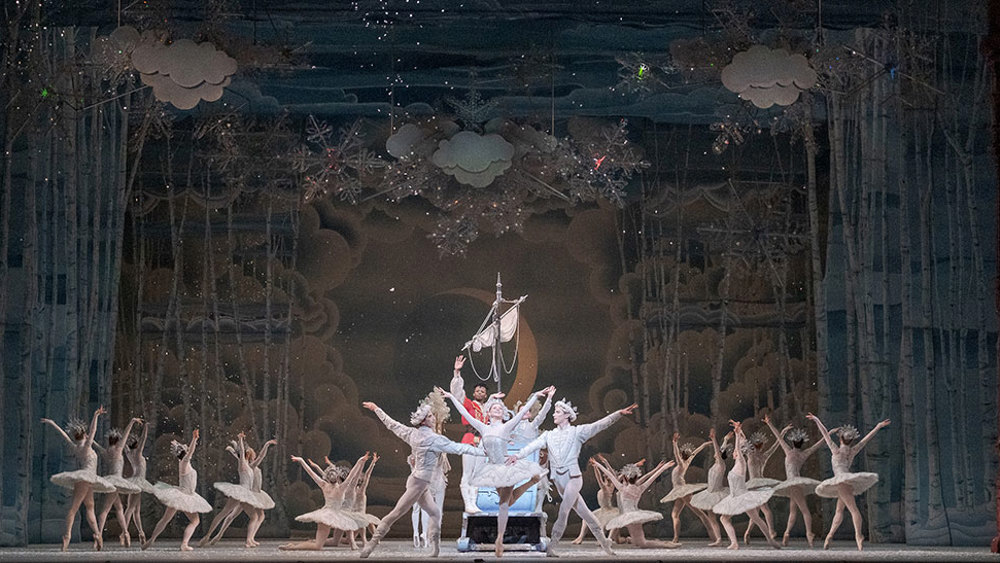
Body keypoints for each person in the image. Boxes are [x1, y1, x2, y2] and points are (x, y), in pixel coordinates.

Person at [507, 400, 638, 557]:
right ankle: (605, 544)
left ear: (567, 415)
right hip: (559, 480)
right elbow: (531, 446)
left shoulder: (578, 432)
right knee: (588, 515)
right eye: (554, 411)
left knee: (564, 511)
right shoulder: (549, 435)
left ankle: (552, 546)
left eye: (557, 412)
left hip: (573, 478)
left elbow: (599, 425)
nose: (554, 414)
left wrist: (617, 414)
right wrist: (517, 455)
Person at [359, 399, 486, 558]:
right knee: (396, 512)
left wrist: (376, 409)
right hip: (418, 484)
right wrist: (483, 452)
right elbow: (458, 448)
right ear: (425, 420)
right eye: (431, 416)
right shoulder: (434, 439)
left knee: (435, 513)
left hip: (419, 482)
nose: (434, 418)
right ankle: (370, 546)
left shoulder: (412, 433)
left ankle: (435, 549)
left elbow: (391, 424)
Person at [440, 384, 551, 557]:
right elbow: (464, 413)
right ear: (489, 412)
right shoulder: (483, 427)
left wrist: (536, 395)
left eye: (500, 407)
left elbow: (523, 412)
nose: (498, 409)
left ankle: (499, 539)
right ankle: (532, 481)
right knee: (509, 500)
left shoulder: (506, 427)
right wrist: (451, 396)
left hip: (506, 468)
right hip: (491, 469)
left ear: (503, 413)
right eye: (495, 407)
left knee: (504, 504)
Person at [807, 413, 890, 551]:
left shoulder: (835, 450)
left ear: (840, 439)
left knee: (853, 510)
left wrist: (816, 420)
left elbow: (825, 434)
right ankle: (829, 536)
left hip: (841, 482)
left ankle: (858, 536)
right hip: (846, 483)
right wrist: (877, 427)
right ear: (850, 441)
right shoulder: (852, 451)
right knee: (839, 511)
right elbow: (865, 440)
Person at [41, 407, 115, 551]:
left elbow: (64, 436)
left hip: (86, 479)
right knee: (75, 508)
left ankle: (98, 535)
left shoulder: (76, 447)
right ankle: (67, 536)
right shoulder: (86, 446)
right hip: (86, 478)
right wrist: (95, 415)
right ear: (85, 436)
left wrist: (52, 423)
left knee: (89, 507)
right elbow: (93, 431)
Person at [764, 414, 835, 546]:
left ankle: (786, 533)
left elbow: (778, 437)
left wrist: (769, 423)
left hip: (791, 483)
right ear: (802, 443)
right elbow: (819, 444)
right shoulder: (803, 454)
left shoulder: (788, 451)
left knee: (793, 510)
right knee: (805, 510)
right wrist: (828, 433)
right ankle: (809, 534)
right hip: (796, 484)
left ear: (792, 442)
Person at [711, 420, 781, 551]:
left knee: (726, 519)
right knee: (753, 518)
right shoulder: (736, 465)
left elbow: (738, 447)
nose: (733, 452)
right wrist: (735, 434)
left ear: (738, 454)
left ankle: (738, 543)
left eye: (735, 452)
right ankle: (768, 540)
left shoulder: (741, 462)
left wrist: (737, 434)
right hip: (736, 496)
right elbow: (725, 452)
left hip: (740, 496)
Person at [143, 428, 213, 551]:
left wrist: (180, 444)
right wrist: (194, 439)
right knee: (195, 521)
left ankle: (152, 539)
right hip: (184, 495)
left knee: (166, 519)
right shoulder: (184, 462)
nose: (188, 449)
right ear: (184, 452)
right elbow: (191, 452)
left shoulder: (184, 463)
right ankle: (184, 543)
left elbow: (189, 452)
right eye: (186, 449)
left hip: (184, 495)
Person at [281, 453, 368, 551]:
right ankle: (292, 547)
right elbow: (352, 475)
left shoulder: (324, 485)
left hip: (324, 514)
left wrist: (301, 461)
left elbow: (311, 474)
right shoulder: (341, 488)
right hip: (329, 516)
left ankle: (293, 546)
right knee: (318, 546)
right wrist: (360, 461)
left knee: (318, 545)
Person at [594, 456, 679, 548]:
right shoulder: (640, 488)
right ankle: (662, 543)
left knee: (642, 544)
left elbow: (610, 475)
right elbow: (652, 478)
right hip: (634, 515)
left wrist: (597, 464)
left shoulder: (622, 488)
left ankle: (667, 545)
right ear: (636, 478)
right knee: (637, 542)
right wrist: (663, 468)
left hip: (630, 516)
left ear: (625, 478)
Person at [450, 355, 491, 514]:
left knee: (477, 474)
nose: (479, 392)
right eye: (477, 390)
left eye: (482, 391)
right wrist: (457, 372)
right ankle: (467, 503)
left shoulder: (489, 409)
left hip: (483, 442)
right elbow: (457, 393)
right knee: (467, 473)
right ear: (473, 393)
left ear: (486, 395)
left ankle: (473, 503)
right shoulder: (468, 404)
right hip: (469, 440)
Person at [94, 417, 143, 546]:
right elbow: (126, 434)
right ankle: (122, 533)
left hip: (112, 481)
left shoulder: (107, 452)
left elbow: (98, 447)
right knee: (113, 509)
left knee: (114, 509)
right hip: (116, 481)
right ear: (117, 440)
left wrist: (91, 440)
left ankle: (101, 534)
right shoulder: (118, 448)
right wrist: (131, 422)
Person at [659, 432, 714, 544]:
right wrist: (704, 444)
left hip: (682, 490)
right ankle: (676, 538)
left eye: (682, 453)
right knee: (675, 514)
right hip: (679, 491)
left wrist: (674, 443)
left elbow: (677, 455)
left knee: (699, 513)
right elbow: (696, 451)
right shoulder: (687, 462)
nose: (680, 454)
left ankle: (713, 536)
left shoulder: (681, 464)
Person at [689, 428, 731, 546]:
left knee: (724, 517)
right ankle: (719, 539)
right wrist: (725, 440)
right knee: (712, 517)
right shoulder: (716, 463)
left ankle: (730, 538)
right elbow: (720, 451)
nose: (716, 453)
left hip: (718, 494)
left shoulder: (721, 464)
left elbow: (719, 452)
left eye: (718, 453)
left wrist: (714, 439)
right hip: (710, 493)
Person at [740, 428, 783, 543]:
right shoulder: (759, 455)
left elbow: (744, 441)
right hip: (758, 484)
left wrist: (739, 430)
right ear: (762, 446)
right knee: (764, 510)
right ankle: (771, 531)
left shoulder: (751, 454)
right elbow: (776, 444)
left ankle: (749, 532)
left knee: (758, 511)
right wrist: (782, 432)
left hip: (756, 484)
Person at [571, 456, 621, 545]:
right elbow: (601, 477)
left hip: (608, 510)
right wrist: (597, 466)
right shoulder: (607, 485)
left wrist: (597, 467)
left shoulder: (608, 487)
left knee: (606, 525)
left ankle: (607, 539)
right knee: (585, 519)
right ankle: (580, 538)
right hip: (602, 509)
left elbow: (601, 478)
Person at [123, 419, 154, 545]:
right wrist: (145, 426)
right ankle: (124, 532)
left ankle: (141, 533)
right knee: (130, 508)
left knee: (135, 510)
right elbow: (144, 438)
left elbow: (124, 440)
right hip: (138, 481)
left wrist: (131, 425)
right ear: (136, 444)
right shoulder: (137, 452)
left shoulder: (129, 453)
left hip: (137, 481)